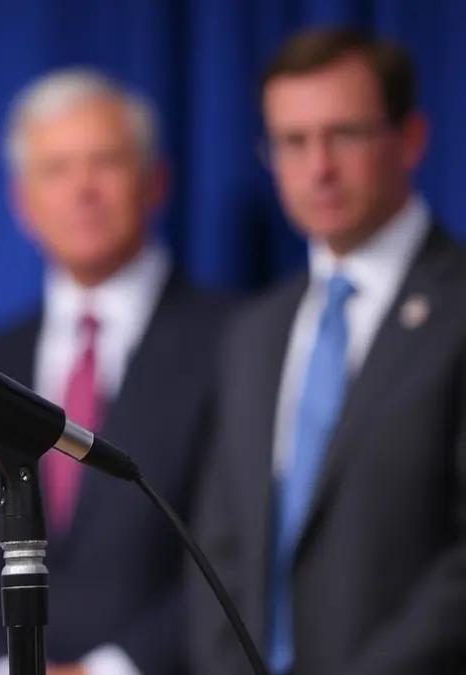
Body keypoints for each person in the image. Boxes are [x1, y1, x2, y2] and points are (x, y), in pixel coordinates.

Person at [188, 28, 466, 675]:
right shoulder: (254, 330)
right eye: (293, 141)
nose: (318, 168)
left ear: (411, 138)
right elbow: (216, 544)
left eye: (344, 134)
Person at [0, 69, 237, 675]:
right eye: (55, 169)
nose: (82, 189)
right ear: (22, 201)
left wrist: (111, 669)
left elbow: (241, 542)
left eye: (105, 162)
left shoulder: (239, 339)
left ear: (156, 182)